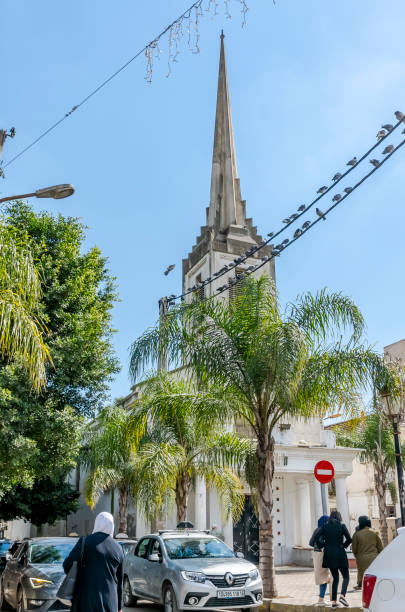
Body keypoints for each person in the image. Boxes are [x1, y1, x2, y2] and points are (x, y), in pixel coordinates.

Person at [63, 511, 124, 612]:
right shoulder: (118, 548)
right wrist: (119, 607)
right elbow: (120, 581)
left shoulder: (84, 542)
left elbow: (67, 565)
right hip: (110, 603)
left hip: (85, 600)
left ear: (97, 523)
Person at [315, 510, 352, 609]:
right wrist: (343, 546)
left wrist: (322, 545)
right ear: (339, 517)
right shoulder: (342, 526)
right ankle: (342, 596)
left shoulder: (325, 527)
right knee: (346, 576)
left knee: (335, 578)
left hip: (329, 555)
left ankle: (334, 602)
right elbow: (349, 539)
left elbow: (317, 539)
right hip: (340, 554)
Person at [351, 515, 383, 589]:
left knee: (361, 572)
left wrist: (357, 556)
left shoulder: (356, 534)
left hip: (361, 558)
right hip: (374, 557)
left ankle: (360, 584)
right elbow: (380, 547)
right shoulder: (375, 532)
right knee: (374, 573)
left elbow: (354, 548)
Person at [309, 515, 330, 606]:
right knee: (324, 577)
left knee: (323, 577)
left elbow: (310, 543)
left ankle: (322, 598)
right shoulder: (324, 530)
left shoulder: (316, 530)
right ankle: (321, 599)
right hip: (322, 554)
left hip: (316, 554)